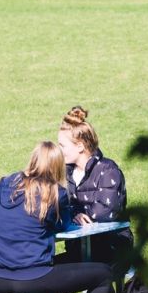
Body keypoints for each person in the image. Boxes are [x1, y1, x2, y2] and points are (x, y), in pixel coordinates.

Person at [0, 142, 113, 293]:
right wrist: (73, 215)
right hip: (29, 277)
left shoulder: (5, 184)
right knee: (103, 274)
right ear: (57, 166)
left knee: (38, 267)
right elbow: (61, 226)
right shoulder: (56, 193)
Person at [56, 106, 132, 267]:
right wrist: (74, 213)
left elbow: (105, 212)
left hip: (112, 249)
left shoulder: (108, 170)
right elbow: (56, 206)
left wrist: (74, 214)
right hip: (79, 248)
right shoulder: (65, 173)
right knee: (44, 268)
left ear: (80, 146)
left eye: (62, 145)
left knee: (100, 279)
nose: (59, 151)